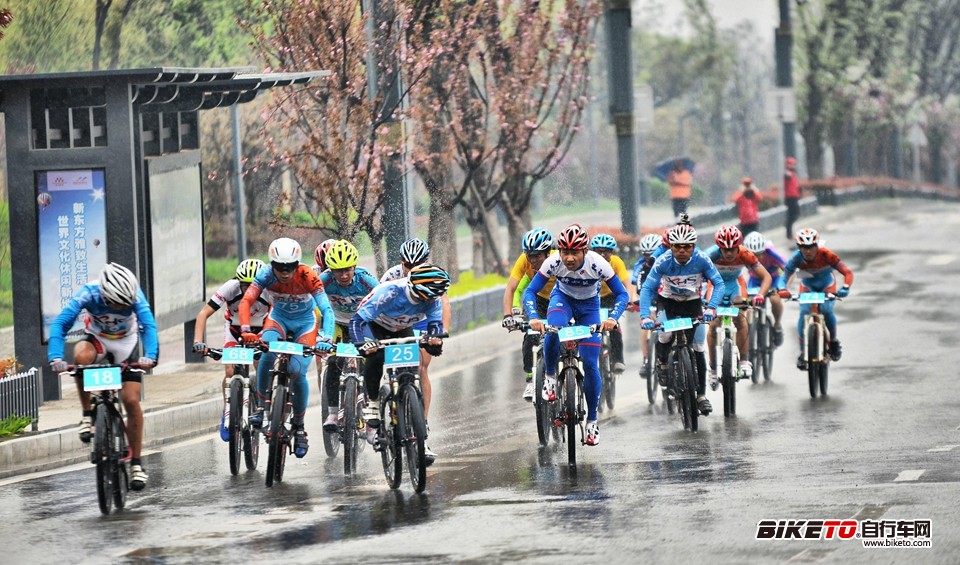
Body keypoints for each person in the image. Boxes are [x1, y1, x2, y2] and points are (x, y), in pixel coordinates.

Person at [48, 262, 158, 491]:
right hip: (97, 339)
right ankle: (87, 414)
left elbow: (148, 326)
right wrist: (56, 357)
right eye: (118, 303)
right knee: (80, 356)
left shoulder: (135, 296)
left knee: (130, 400)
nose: (123, 307)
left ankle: (136, 463)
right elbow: (61, 323)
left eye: (126, 304)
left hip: (126, 343)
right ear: (105, 295)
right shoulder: (88, 293)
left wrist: (150, 355)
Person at [523, 224, 629, 446]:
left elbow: (622, 294)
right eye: (565, 252)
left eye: (574, 253)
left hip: (589, 308)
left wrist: (613, 318)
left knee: (590, 363)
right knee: (554, 329)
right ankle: (550, 378)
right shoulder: (553, 262)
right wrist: (533, 317)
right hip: (562, 300)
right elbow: (530, 291)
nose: (569, 258)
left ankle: (592, 421)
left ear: (585, 251)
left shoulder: (597, 264)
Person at [239, 237, 335, 459]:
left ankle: (299, 427)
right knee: (266, 352)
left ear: (297, 264)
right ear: (272, 264)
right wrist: (245, 330)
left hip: (305, 324)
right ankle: (262, 407)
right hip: (278, 320)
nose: (284, 272)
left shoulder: (308, 276)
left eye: (290, 267)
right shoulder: (265, 274)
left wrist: (327, 338)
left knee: (297, 371)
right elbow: (246, 302)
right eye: (279, 267)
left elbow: (327, 310)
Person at [350, 264, 450, 465]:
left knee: (412, 372)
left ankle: (418, 431)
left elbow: (434, 325)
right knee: (376, 357)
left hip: (402, 328)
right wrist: (362, 344)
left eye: (434, 297)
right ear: (417, 290)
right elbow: (356, 322)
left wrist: (434, 340)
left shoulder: (432, 298)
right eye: (428, 297)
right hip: (374, 326)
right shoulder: (389, 292)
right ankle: (373, 403)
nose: (431, 301)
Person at [638, 223, 725, 416]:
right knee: (665, 336)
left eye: (687, 246)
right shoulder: (663, 261)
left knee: (698, 347)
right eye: (677, 247)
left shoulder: (702, 259)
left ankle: (701, 396)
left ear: (694, 246)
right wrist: (644, 316)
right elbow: (647, 289)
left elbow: (718, 284)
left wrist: (711, 307)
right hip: (667, 302)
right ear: (671, 247)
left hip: (693, 303)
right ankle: (662, 364)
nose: (682, 251)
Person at [192, 259, 270, 441]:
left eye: (253, 286)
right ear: (238, 282)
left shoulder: (269, 291)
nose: (248, 290)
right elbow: (203, 313)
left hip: (261, 330)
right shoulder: (230, 288)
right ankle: (227, 409)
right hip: (235, 329)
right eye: (244, 285)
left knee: (261, 366)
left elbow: (277, 315)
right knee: (229, 371)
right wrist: (198, 341)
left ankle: (262, 407)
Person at [380, 237, 451, 429]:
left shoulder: (433, 275)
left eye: (418, 265)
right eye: (408, 265)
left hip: (423, 320)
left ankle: (422, 421)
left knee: (420, 368)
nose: (412, 270)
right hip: (398, 321)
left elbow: (444, 304)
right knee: (391, 366)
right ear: (401, 262)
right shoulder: (391, 275)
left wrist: (441, 333)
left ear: (426, 261)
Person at [316, 240, 380, 432]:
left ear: (354, 267)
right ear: (331, 270)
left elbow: (383, 300)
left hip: (362, 323)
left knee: (370, 362)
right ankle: (333, 413)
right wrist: (319, 336)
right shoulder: (324, 280)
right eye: (338, 271)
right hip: (337, 323)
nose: (343, 275)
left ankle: (370, 415)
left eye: (347, 270)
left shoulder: (365, 280)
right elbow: (310, 303)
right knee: (334, 362)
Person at [704, 226, 772, 387]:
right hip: (715, 286)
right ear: (719, 248)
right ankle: (712, 368)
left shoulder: (745, 254)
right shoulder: (710, 255)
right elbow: (695, 275)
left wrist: (760, 295)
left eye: (733, 249)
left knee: (741, 320)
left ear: (738, 247)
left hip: (735, 286)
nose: (729, 253)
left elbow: (766, 277)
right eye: (725, 250)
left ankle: (744, 361)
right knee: (713, 324)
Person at [779, 228, 854, 369]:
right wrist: (782, 289)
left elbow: (847, 272)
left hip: (827, 285)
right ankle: (803, 352)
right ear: (799, 247)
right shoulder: (796, 258)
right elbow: (784, 276)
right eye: (804, 247)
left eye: (812, 247)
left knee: (826, 310)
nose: (808, 251)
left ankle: (833, 341)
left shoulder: (826, 254)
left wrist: (845, 287)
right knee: (804, 312)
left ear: (817, 245)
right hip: (808, 285)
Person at [501, 227, 556, 401]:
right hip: (538, 299)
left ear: (548, 253)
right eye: (529, 255)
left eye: (537, 256)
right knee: (531, 335)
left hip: (560, 299)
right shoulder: (523, 261)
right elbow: (511, 289)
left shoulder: (557, 260)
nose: (532, 260)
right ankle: (531, 379)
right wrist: (507, 316)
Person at [590, 233, 634, 373]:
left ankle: (618, 360)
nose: (602, 255)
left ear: (612, 252)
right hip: (592, 297)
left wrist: (630, 300)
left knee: (614, 327)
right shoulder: (588, 261)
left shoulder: (616, 262)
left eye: (606, 251)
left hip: (610, 296)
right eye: (599, 251)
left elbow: (627, 283)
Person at [743, 231, 787, 345]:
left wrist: (783, 287)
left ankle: (777, 324)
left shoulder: (772, 253)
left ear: (764, 251)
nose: (757, 258)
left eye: (759, 254)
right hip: (755, 281)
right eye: (753, 255)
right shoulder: (742, 255)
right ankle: (749, 331)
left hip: (773, 280)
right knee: (748, 306)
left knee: (775, 300)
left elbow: (787, 268)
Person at [632, 232, 666, 378]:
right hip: (650, 295)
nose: (650, 258)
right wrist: (635, 301)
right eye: (646, 255)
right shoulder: (641, 266)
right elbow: (636, 287)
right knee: (646, 324)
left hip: (665, 294)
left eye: (652, 254)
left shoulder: (666, 261)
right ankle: (646, 360)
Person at [784, 157, 801, 240]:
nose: (793, 166)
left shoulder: (793, 173)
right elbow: (786, 176)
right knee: (792, 215)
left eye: (793, 164)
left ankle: (789, 232)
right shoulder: (787, 173)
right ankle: (789, 234)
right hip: (790, 197)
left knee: (796, 214)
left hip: (795, 196)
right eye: (790, 164)